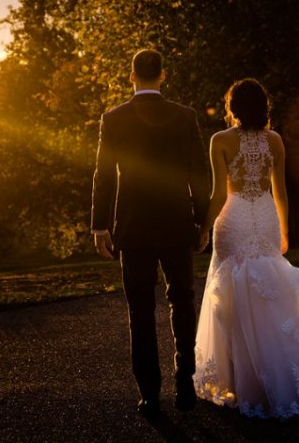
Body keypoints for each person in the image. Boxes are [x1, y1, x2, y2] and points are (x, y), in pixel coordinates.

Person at [194, 78, 299, 419]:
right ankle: (284, 380)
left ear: (232, 107)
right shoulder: (275, 140)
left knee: (232, 296)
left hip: (234, 217)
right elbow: (280, 193)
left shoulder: (219, 140)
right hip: (265, 216)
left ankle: (242, 384)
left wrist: (203, 229)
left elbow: (219, 195)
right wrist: (283, 231)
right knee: (272, 297)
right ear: (263, 107)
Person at [91, 49, 210, 418]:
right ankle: (185, 379)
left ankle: (149, 394)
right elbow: (199, 174)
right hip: (176, 222)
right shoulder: (185, 116)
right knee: (183, 300)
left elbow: (104, 175)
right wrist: (202, 222)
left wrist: (99, 225)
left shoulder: (113, 118)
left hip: (133, 225)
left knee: (140, 310)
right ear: (162, 76)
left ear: (131, 76)